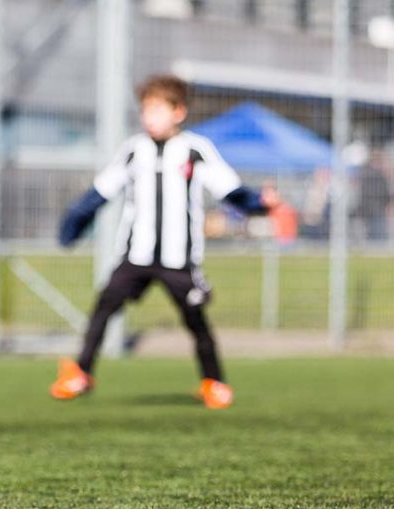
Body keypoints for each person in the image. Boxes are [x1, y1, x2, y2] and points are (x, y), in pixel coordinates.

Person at [48, 74, 279, 409]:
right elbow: (101, 191)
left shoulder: (195, 150)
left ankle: (213, 382)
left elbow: (229, 189)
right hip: (135, 255)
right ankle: (81, 373)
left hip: (179, 259)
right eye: (145, 110)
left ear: (178, 112)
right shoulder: (133, 150)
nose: (149, 118)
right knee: (105, 305)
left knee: (195, 320)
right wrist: (73, 224)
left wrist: (259, 203)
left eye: (157, 110)